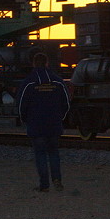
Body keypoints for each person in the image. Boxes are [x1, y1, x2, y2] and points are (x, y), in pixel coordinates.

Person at [18, 52, 71, 192]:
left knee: (40, 154)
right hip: (54, 124)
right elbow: (66, 103)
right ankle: (57, 180)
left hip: (36, 125)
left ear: (34, 64)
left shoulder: (28, 82)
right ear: (47, 63)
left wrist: (26, 120)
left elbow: (21, 105)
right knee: (54, 152)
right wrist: (61, 118)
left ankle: (44, 185)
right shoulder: (58, 81)